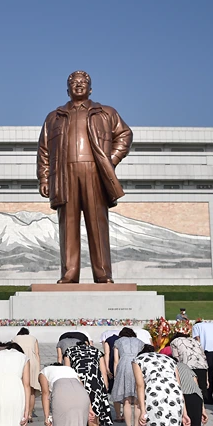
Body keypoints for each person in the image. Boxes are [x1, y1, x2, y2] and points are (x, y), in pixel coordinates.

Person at [37, 70, 133, 284]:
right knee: (67, 225)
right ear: (67, 89)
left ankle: (103, 273)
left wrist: (111, 160)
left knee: (97, 224)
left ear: (90, 88)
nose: (78, 85)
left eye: (83, 82)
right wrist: (44, 178)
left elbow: (125, 134)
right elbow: (43, 149)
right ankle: (69, 273)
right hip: (64, 175)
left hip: (94, 173)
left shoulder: (105, 112)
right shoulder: (55, 117)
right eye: (74, 82)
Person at [64, 340, 112, 426]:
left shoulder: (69, 351)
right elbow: (103, 373)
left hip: (77, 386)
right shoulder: (96, 351)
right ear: (87, 344)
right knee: (94, 424)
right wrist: (104, 390)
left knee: (79, 424)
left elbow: (67, 373)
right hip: (95, 387)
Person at [111, 327, 143, 426]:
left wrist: (116, 376)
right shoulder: (139, 342)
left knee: (127, 400)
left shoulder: (118, 341)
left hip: (124, 366)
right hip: (137, 364)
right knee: (138, 399)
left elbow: (116, 360)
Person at [12, 328, 41, 421]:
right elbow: (37, 353)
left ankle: (21, 413)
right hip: (33, 363)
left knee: (20, 388)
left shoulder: (15, 338)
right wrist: (39, 367)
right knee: (31, 390)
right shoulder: (33, 338)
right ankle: (29, 414)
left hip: (20, 362)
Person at [192, 322, 213, 404]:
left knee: (208, 375)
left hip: (206, 351)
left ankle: (208, 398)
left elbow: (197, 339)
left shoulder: (196, 326)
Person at [101, 328, 123, 420]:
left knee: (115, 390)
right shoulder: (124, 340)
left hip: (112, 365)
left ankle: (118, 415)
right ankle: (124, 415)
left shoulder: (109, 340)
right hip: (125, 365)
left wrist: (107, 369)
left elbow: (106, 353)